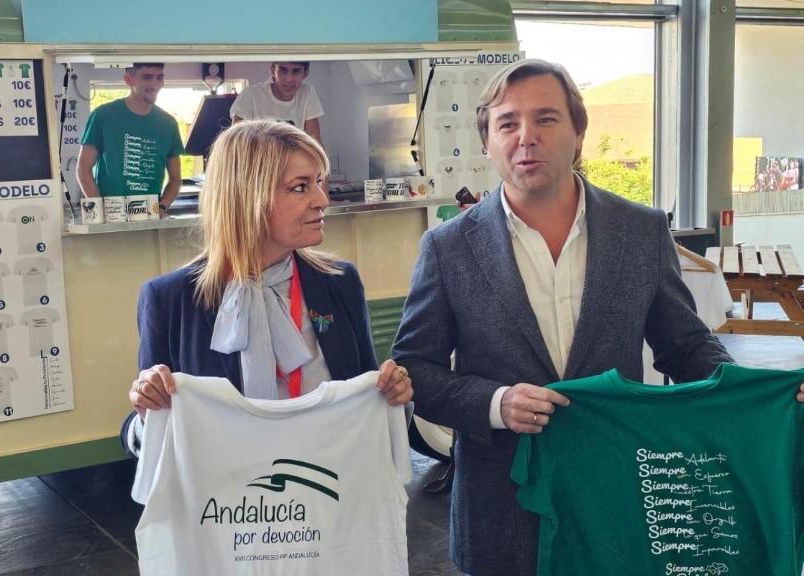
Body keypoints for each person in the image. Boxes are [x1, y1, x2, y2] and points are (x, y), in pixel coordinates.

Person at [391, 58, 804, 576]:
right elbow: (415, 369)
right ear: (487, 142)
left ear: (579, 132)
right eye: (508, 123)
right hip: (501, 503)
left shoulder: (641, 231)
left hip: (617, 500)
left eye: (546, 118)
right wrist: (495, 403)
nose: (527, 138)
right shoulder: (447, 247)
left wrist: (759, 395)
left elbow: (687, 347)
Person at [122, 119, 412, 453]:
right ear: (247, 197)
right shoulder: (170, 300)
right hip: (230, 500)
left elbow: (367, 396)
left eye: (319, 182)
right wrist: (147, 414)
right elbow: (142, 435)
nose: (323, 200)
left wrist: (394, 396)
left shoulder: (339, 283)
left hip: (330, 488)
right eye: (300, 187)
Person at [77, 63, 184, 211]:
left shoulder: (168, 123)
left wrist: (162, 207)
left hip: (149, 218)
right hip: (111, 216)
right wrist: (100, 210)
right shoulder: (103, 116)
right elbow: (83, 168)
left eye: (160, 78)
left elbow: (176, 179)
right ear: (128, 80)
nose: (155, 84)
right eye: (147, 78)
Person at [230, 62, 324, 146]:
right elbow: (236, 144)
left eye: (296, 71)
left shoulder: (307, 92)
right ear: (272, 70)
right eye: (283, 70)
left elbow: (315, 144)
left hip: (293, 162)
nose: (289, 79)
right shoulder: (250, 95)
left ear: (305, 73)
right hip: (259, 162)